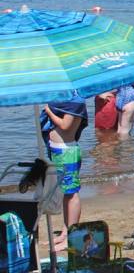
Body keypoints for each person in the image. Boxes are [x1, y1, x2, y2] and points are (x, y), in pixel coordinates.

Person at [41, 97, 88, 230]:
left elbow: (65, 125)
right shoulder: (69, 101)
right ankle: (65, 231)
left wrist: (48, 111)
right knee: (65, 191)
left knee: (71, 193)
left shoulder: (75, 101)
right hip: (61, 151)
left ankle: (71, 233)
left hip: (67, 152)